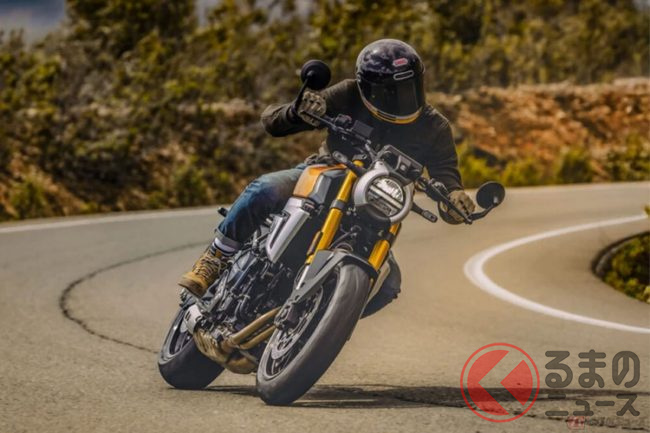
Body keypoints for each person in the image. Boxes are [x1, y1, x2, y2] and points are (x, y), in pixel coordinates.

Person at [178, 39, 475, 315]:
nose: (401, 98)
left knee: (388, 285)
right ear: (367, 88)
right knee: (265, 189)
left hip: (377, 205)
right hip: (326, 171)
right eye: (390, 91)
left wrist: (455, 197)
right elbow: (272, 122)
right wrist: (298, 111)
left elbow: (446, 175)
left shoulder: (435, 127)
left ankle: (314, 323)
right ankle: (215, 258)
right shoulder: (348, 93)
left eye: (409, 87)